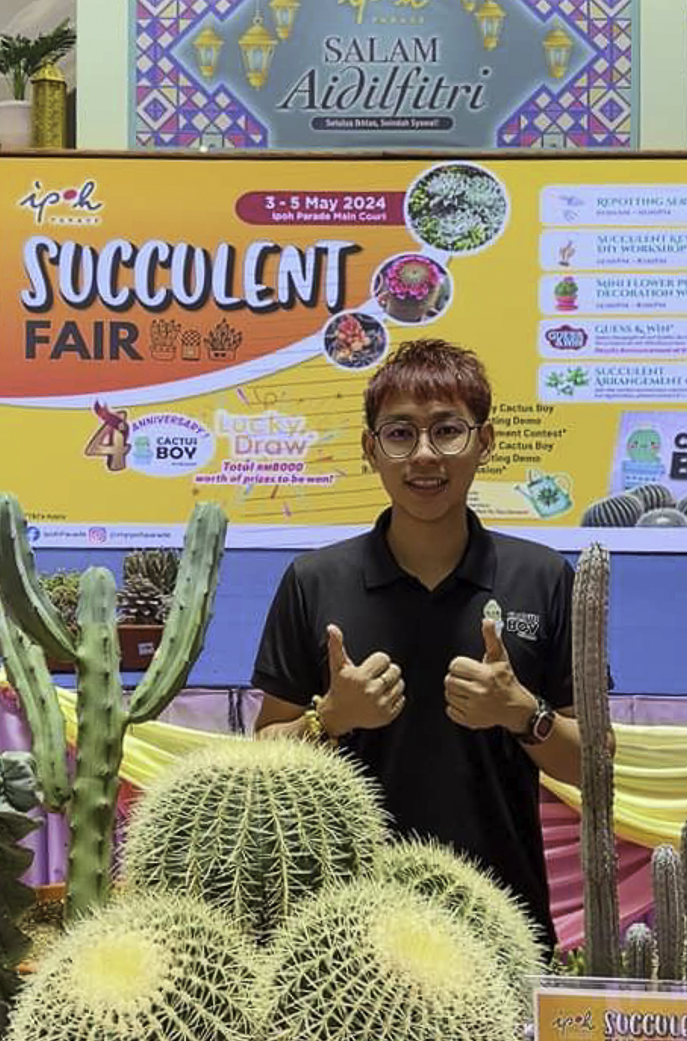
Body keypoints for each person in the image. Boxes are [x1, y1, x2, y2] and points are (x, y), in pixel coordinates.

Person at [252, 338, 588, 953]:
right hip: (344, 933)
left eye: (448, 431)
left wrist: (522, 714)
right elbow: (265, 752)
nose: (425, 455)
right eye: (400, 434)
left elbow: (594, 764)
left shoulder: (543, 579)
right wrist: (331, 719)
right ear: (370, 449)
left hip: (501, 923)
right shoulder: (313, 581)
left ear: (485, 442)